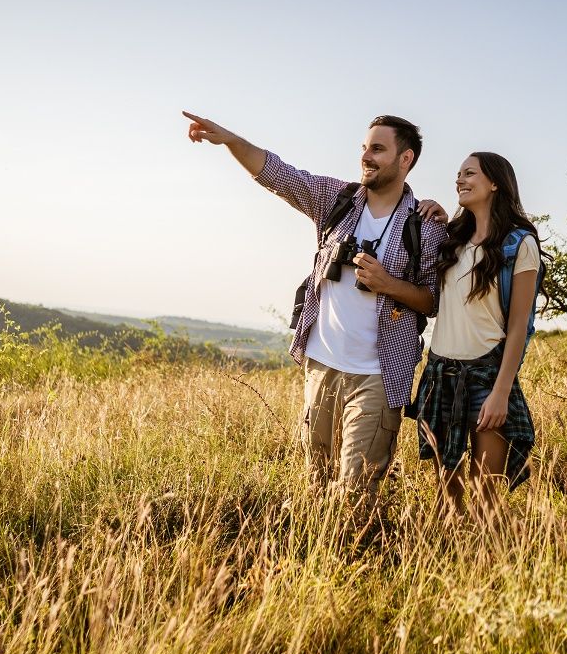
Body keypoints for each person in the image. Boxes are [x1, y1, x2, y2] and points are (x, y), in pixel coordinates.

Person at [183, 111, 447, 506]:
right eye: (364, 147)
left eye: (378, 149)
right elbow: (279, 175)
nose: (366, 157)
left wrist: (387, 284)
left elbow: (432, 301)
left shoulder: (425, 225)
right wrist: (231, 140)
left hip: (377, 375)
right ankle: (318, 560)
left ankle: (354, 558)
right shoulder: (336, 200)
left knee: (357, 494)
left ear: (405, 159)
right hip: (321, 365)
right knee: (316, 484)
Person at [409, 152, 546, 525]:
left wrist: (502, 392)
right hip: (441, 373)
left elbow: (520, 325)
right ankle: (456, 565)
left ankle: (496, 568)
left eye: (469, 174)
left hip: (488, 375)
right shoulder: (452, 238)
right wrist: (434, 212)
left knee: (486, 491)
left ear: (495, 183)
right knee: (445, 487)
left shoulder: (519, 244)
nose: (460, 180)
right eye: (458, 175)